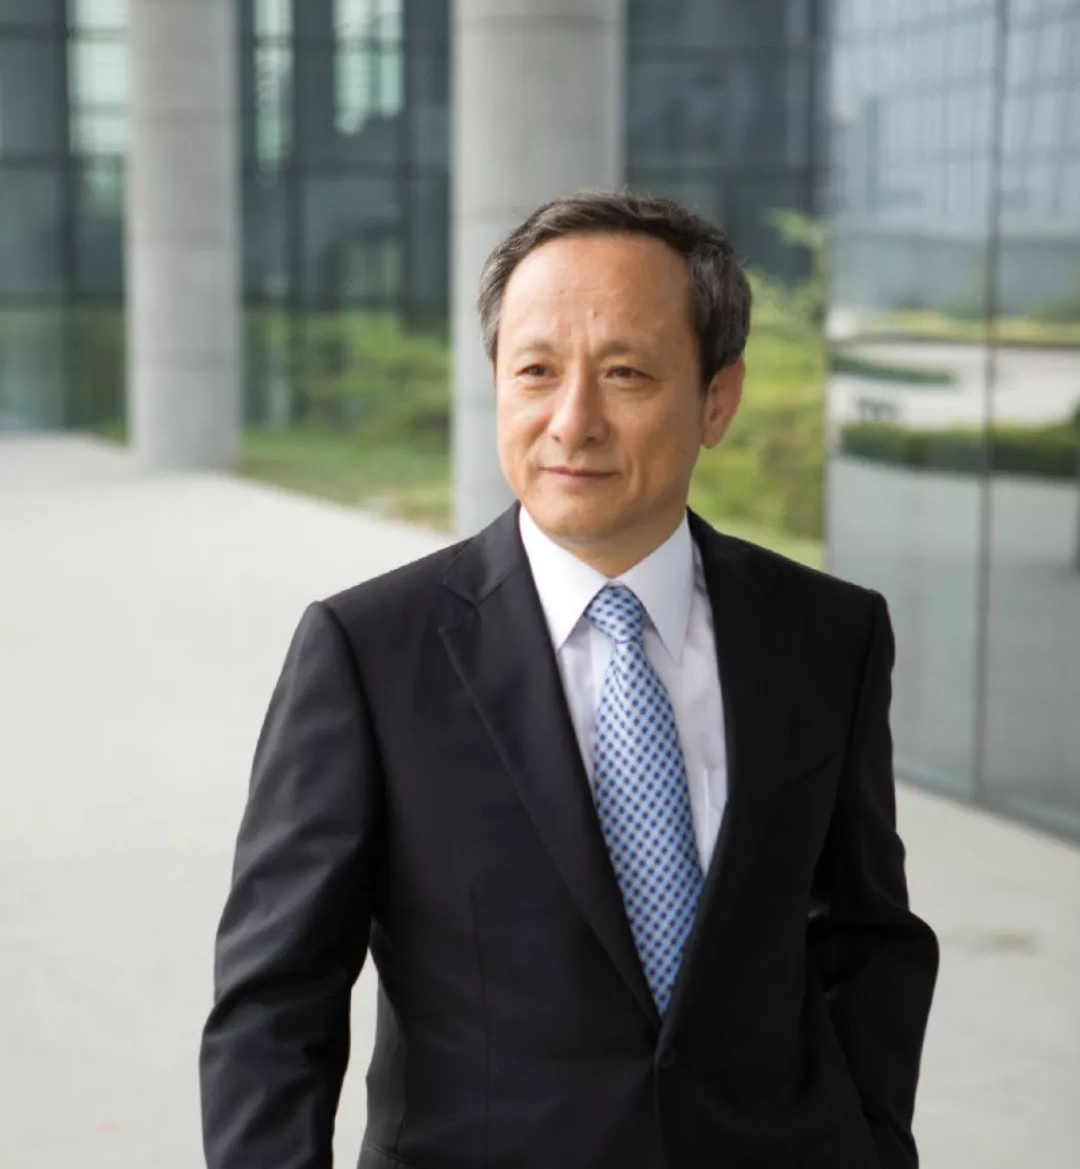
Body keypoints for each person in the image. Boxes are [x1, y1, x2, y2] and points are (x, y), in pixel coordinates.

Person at [199, 192, 938, 1169]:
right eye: (536, 371)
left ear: (717, 399)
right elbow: (274, 1003)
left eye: (626, 373)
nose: (573, 421)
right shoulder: (368, 652)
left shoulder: (826, 634)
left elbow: (867, 935)